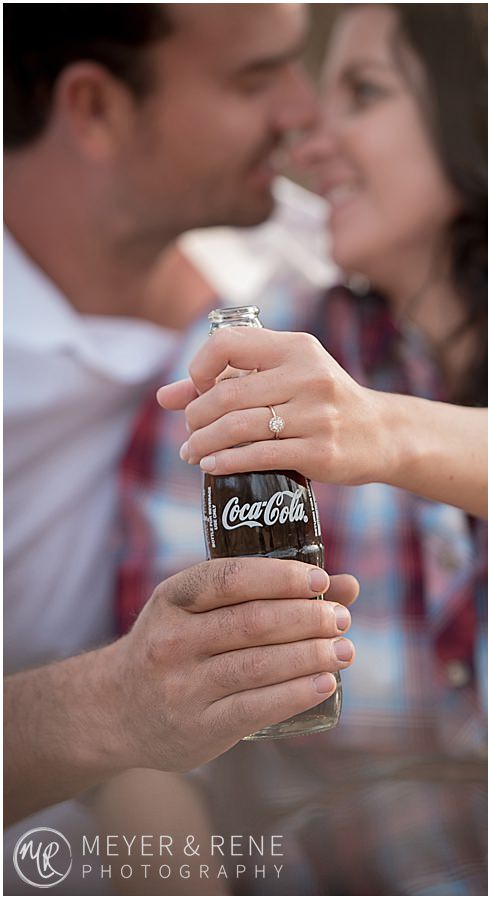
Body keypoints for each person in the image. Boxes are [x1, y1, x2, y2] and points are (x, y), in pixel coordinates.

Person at [119, 5, 488, 894]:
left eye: (365, 93)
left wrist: (375, 428)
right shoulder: (240, 370)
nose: (311, 135)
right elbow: (139, 754)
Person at [3, 3, 361, 863]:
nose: (301, 111)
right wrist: (118, 704)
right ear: (93, 108)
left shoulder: (314, 253)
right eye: (254, 76)